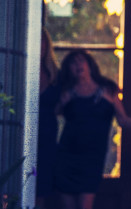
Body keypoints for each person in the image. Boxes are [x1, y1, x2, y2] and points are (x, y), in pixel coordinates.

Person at [53, 50, 131, 209]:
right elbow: (50, 114)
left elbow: (123, 120)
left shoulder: (108, 90)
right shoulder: (67, 93)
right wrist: (62, 102)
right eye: (73, 63)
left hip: (92, 159)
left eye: (80, 60)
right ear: (68, 69)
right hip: (66, 158)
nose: (78, 65)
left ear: (89, 64)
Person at [36, 29, 60, 209]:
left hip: (47, 136)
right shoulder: (20, 68)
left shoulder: (55, 73)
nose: (40, 45)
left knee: (42, 187)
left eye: (43, 41)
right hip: (24, 132)